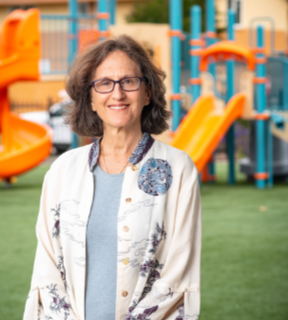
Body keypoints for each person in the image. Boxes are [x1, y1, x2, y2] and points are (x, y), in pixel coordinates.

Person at [23, 35, 201, 320]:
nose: (117, 94)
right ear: (90, 99)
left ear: (147, 93)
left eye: (129, 81)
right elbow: (46, 267)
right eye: (104, 84)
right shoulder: (62, 170)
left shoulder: (178, 169)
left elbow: (178, 273)